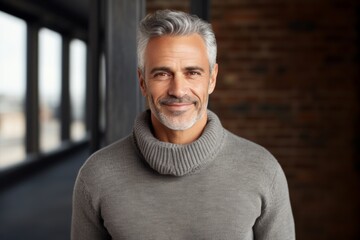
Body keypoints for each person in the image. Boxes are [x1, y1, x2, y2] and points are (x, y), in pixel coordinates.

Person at [71, 9, 295, 240]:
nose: (178, 90)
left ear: (212, 79)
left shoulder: (262, 171)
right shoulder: (96, 175)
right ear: (142, 82)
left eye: (192, 73)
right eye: (162, 74)